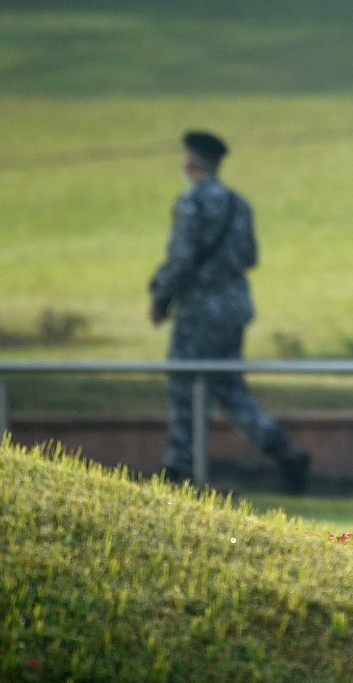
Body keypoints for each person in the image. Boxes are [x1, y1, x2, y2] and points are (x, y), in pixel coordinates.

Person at [149, 130, 310, 494]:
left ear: (190, 161)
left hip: (197, 313)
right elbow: (250, 256)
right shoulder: (239, 205)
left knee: (185, 387)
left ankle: (177, 472)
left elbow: (181, 259)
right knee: (230, 388)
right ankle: (284, 452)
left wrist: (160, 296)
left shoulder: (191, 203)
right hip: (233, 309)